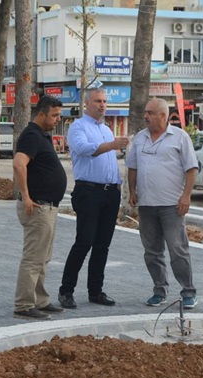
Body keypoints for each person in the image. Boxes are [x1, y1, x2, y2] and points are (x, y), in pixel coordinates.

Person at [58, 88, 129, 309]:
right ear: (87, 103)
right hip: (89, 192)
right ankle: (66, 290)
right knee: (84, 242)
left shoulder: (107, 130)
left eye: (105, 101)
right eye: (98, 101)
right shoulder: (78, 127)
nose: (102, 105)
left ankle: (95, 291)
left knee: (102, 245)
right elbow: (83, 149)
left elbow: (109, 155)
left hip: (110, 193)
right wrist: (113, 145)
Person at [127, 98, 199, 309]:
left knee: (178, 250)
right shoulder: (140, 138)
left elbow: (191, 168)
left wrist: (186, 196)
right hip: (147, 205)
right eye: (145, 113)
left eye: (150, 113)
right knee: (152, 251)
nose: (146, 116)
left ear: (163, 116)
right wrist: (132, 191)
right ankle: (159, 290)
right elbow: (132, 167)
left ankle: (188, 291)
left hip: (172, 205)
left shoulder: (179, 137)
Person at [13, 95, 67, 319]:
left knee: (43, 257)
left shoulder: (42, 135)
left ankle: (40, 300)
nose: (57, 120)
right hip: (37, 207)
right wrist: (26, 196)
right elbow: (18, 163)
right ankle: (24, 304)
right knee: (34, 257)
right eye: (54, 115)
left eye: (59, 115)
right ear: (41, 114)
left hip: (48, 207)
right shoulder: (32, 135)